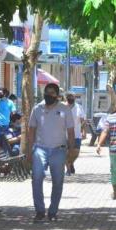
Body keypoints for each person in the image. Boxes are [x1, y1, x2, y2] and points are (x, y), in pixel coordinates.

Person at [28, 83, 75, 222]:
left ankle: (53, 212)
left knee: (58, 181)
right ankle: (40, 211)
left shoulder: (64, 109)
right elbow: (31, 130)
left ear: (57, 95)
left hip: (59, 149)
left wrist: (71, 151)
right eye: (47, 92)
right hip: (40, 149)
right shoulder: (37, 109)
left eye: (52, 93)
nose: (49, 95)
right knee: (36, 179)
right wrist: (29, 151)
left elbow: (71, 131)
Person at [64, 92, 86, 176]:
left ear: (75, 98)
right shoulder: (62, 107)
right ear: (66, 98)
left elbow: (83, 120)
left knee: (76, 152)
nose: (70, 98)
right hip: (64, 135)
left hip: (76, 134)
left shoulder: (79, 107)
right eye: (69, 96)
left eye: (72, 96)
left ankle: (70, 163)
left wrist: (83, 131)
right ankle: (68, 169)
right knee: (65, 152)